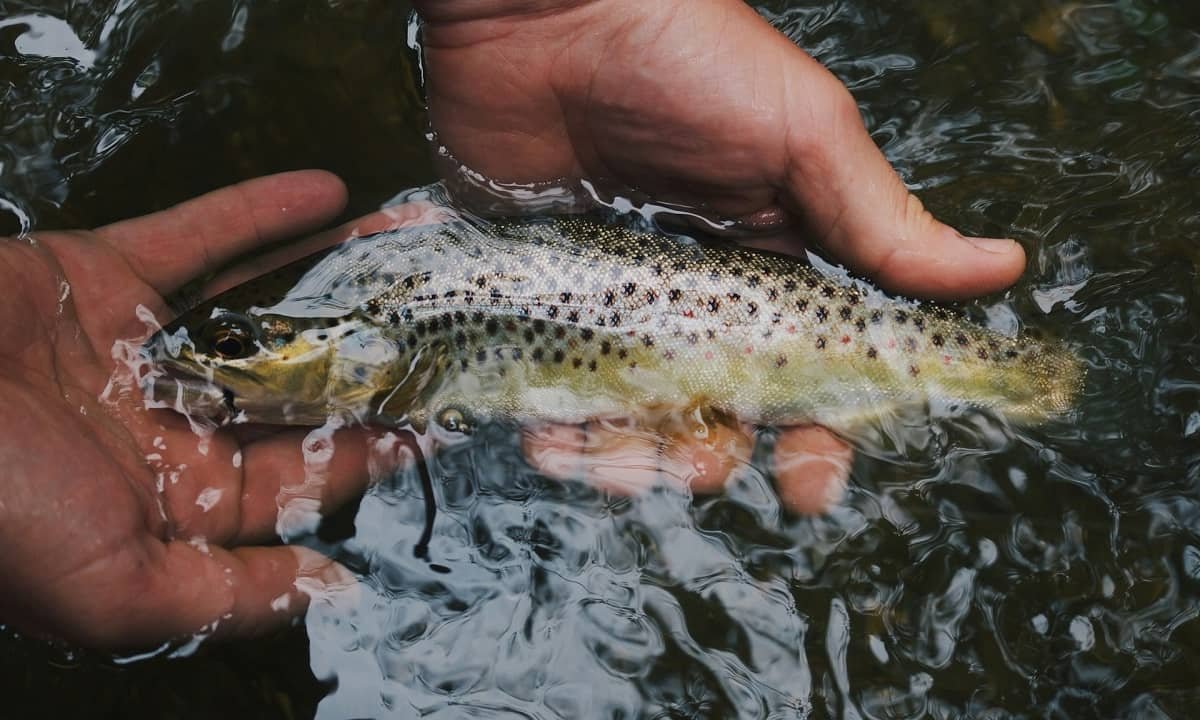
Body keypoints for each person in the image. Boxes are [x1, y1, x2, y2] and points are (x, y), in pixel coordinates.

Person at [0, 0, 1024, 649]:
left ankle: (1016, 384)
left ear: (370, 346)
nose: (197, 365)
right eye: (229, 351)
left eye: (232, 350)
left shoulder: (389, 328)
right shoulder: (389, 318)